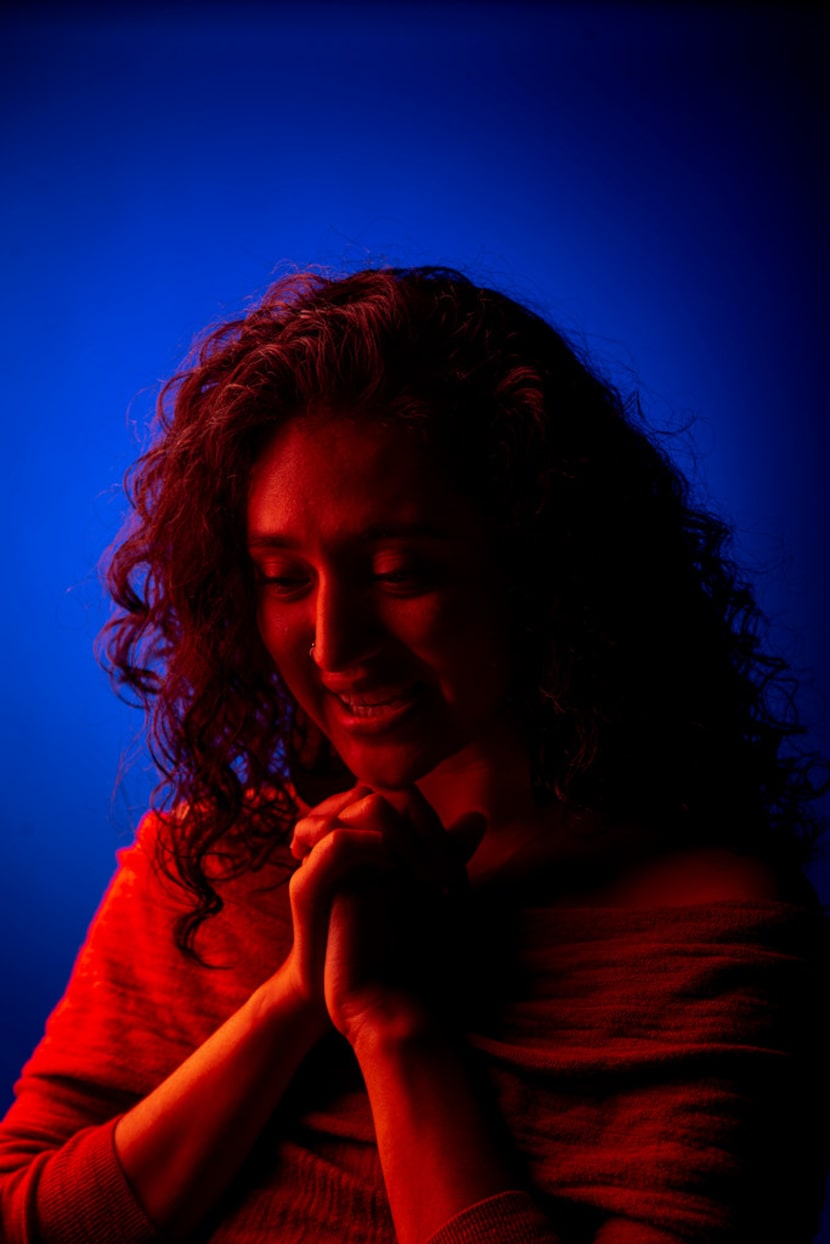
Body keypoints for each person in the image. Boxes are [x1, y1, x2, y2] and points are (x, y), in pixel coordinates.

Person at [0, 265, 827, 1243]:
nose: (331, 641)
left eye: (400, 571)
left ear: (543, 564)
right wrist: (291, 1000)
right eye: (282, 577)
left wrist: (394, 1024)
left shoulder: (713, 937)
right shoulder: (207, 869)